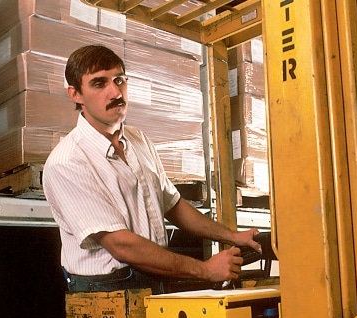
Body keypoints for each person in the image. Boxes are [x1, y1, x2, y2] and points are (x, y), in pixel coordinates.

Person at [43, 44, 261, 294]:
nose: (115, 92)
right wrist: (206, 270)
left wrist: (232, 236)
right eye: (99, 83)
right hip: (106, 291)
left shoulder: (138, 140)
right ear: (76, 94)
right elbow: (121, 245)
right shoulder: (68, 162)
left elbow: (173, 204)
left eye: (119, 80)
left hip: (154, 276)